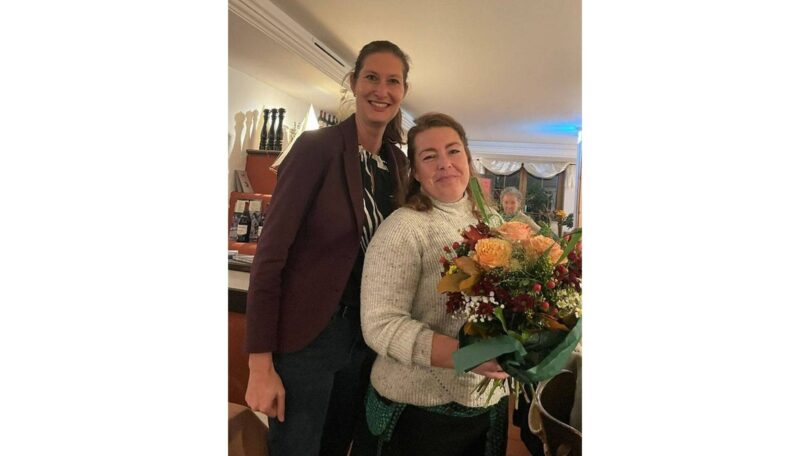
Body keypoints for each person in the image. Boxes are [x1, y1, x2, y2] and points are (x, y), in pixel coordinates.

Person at [244, 40, 411, 456]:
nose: (381, 90)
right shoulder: (315, 148)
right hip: (308, 341)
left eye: (393, 81)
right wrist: (259, 363)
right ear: (353, 83)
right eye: (371, 77)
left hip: (365, 341)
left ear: (404, 92)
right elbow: (270, 257)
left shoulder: (398, 165)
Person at [354, 113, 510, 456]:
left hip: (487, 406)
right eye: (429, 156)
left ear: (467, 158)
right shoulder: (404, 228)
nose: (444, 164)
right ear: (415, 172)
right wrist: (467, 356)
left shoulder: (492, 221)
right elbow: (380, 325)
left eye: (453, 151)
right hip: (415, 414)